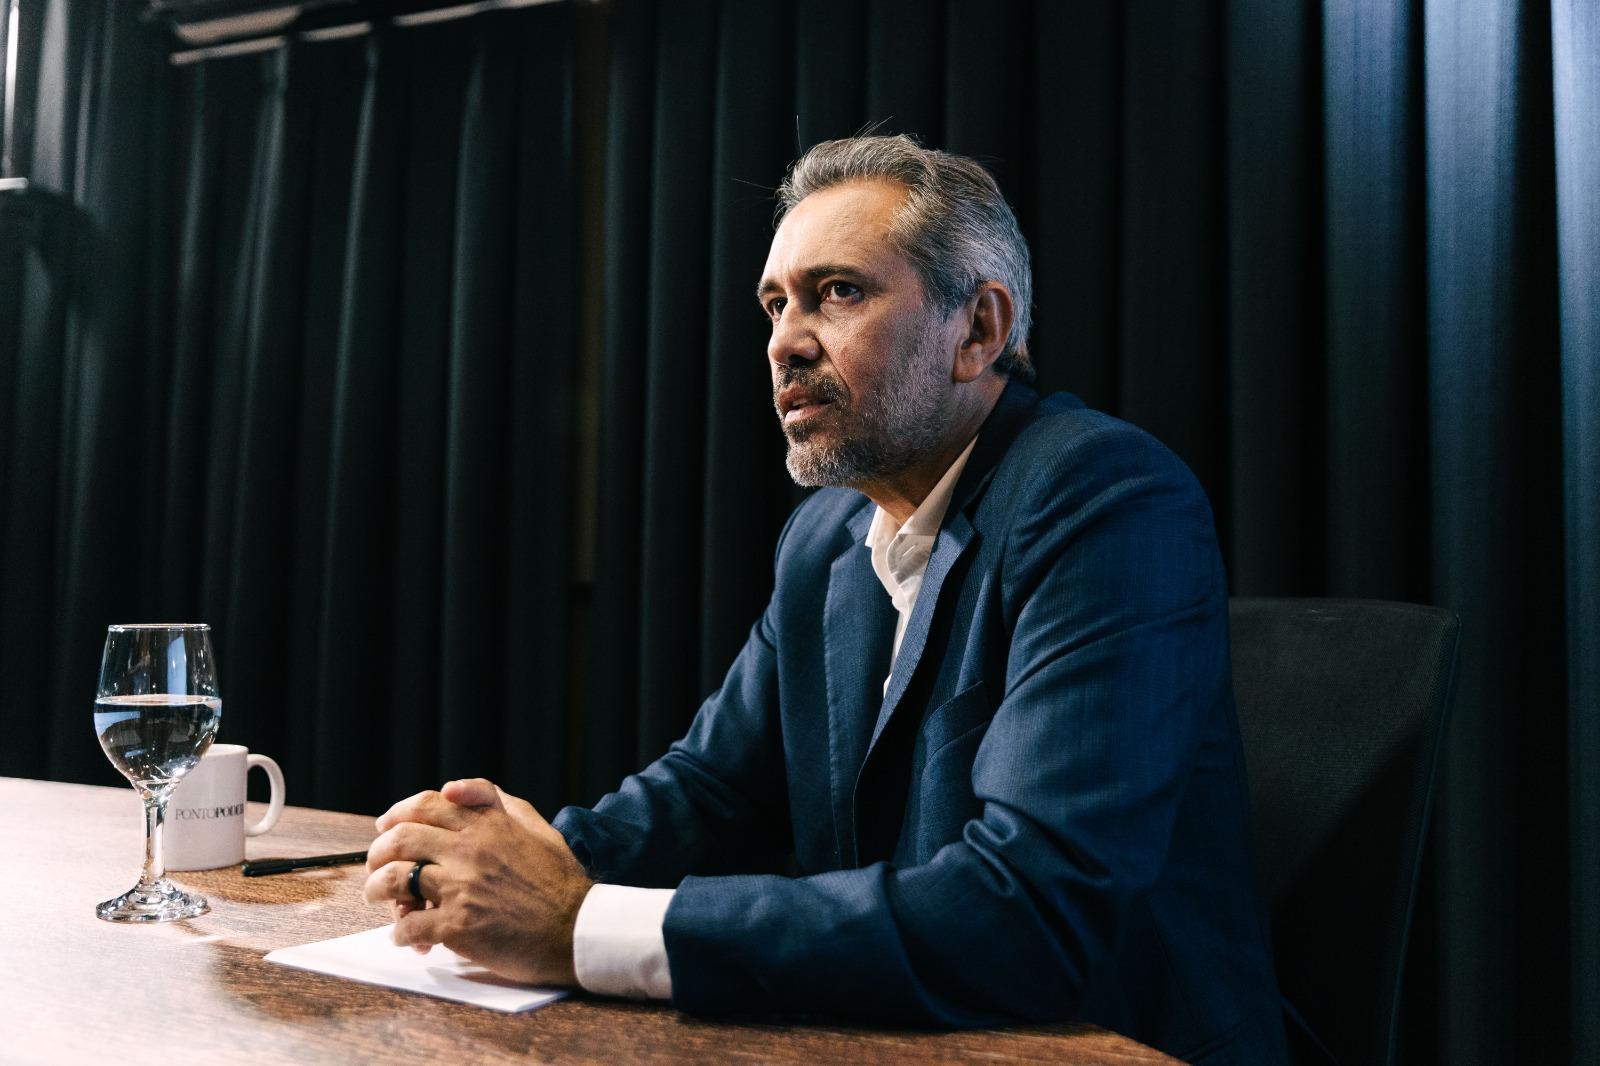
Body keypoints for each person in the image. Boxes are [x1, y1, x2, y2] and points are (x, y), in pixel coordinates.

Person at [364, 134, 1287, 1064]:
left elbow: (1034, 905)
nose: (784, 342)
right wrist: (529, 862)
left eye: (837, 292)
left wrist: (576, 924)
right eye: (775, 303)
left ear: (978, 330)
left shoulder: (1103, 496)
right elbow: (714, 789)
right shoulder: (826, 537)